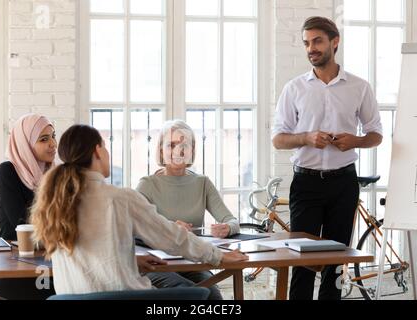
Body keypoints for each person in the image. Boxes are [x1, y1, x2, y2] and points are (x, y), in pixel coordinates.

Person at [30, 124, 248, 295]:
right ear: (97, 150)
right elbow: (172, 238)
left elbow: (86, 257)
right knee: (205, 297)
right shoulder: (120, 198)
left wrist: (129, 259)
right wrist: (219, 256)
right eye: (104, 146)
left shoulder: (54, 203)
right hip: (127, 299)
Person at [272, 17, 383, 300]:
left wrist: (355, 141)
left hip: (344, 183)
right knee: (302, 264)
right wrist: (306, 138)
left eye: (317, 41)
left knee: (335, 264)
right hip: (306, 184)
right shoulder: (294, 88)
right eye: (307, 43)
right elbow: (278, 139)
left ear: (335, 42)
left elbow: (376, 134)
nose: (311, 48)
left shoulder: (359, 87)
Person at [136, 120, 240, 300]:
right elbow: (133, 227)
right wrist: (169, 227)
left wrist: (228, 228)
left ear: (192, 150)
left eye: (185, 145)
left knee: (213, 295)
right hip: (156, 263)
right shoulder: (147, 184)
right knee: (190, 292)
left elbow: (232, 220)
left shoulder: (202, 183)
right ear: (161, 150)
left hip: (191, 261)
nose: (179, 150)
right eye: (172, 145)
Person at [0, 114, 57, 299]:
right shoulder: (7, 171)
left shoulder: (54, 174)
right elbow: (23, 222)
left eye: (53, 136)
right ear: (25, 143)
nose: (53, 143)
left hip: (49, 261)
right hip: (13, 266)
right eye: (44, 139)